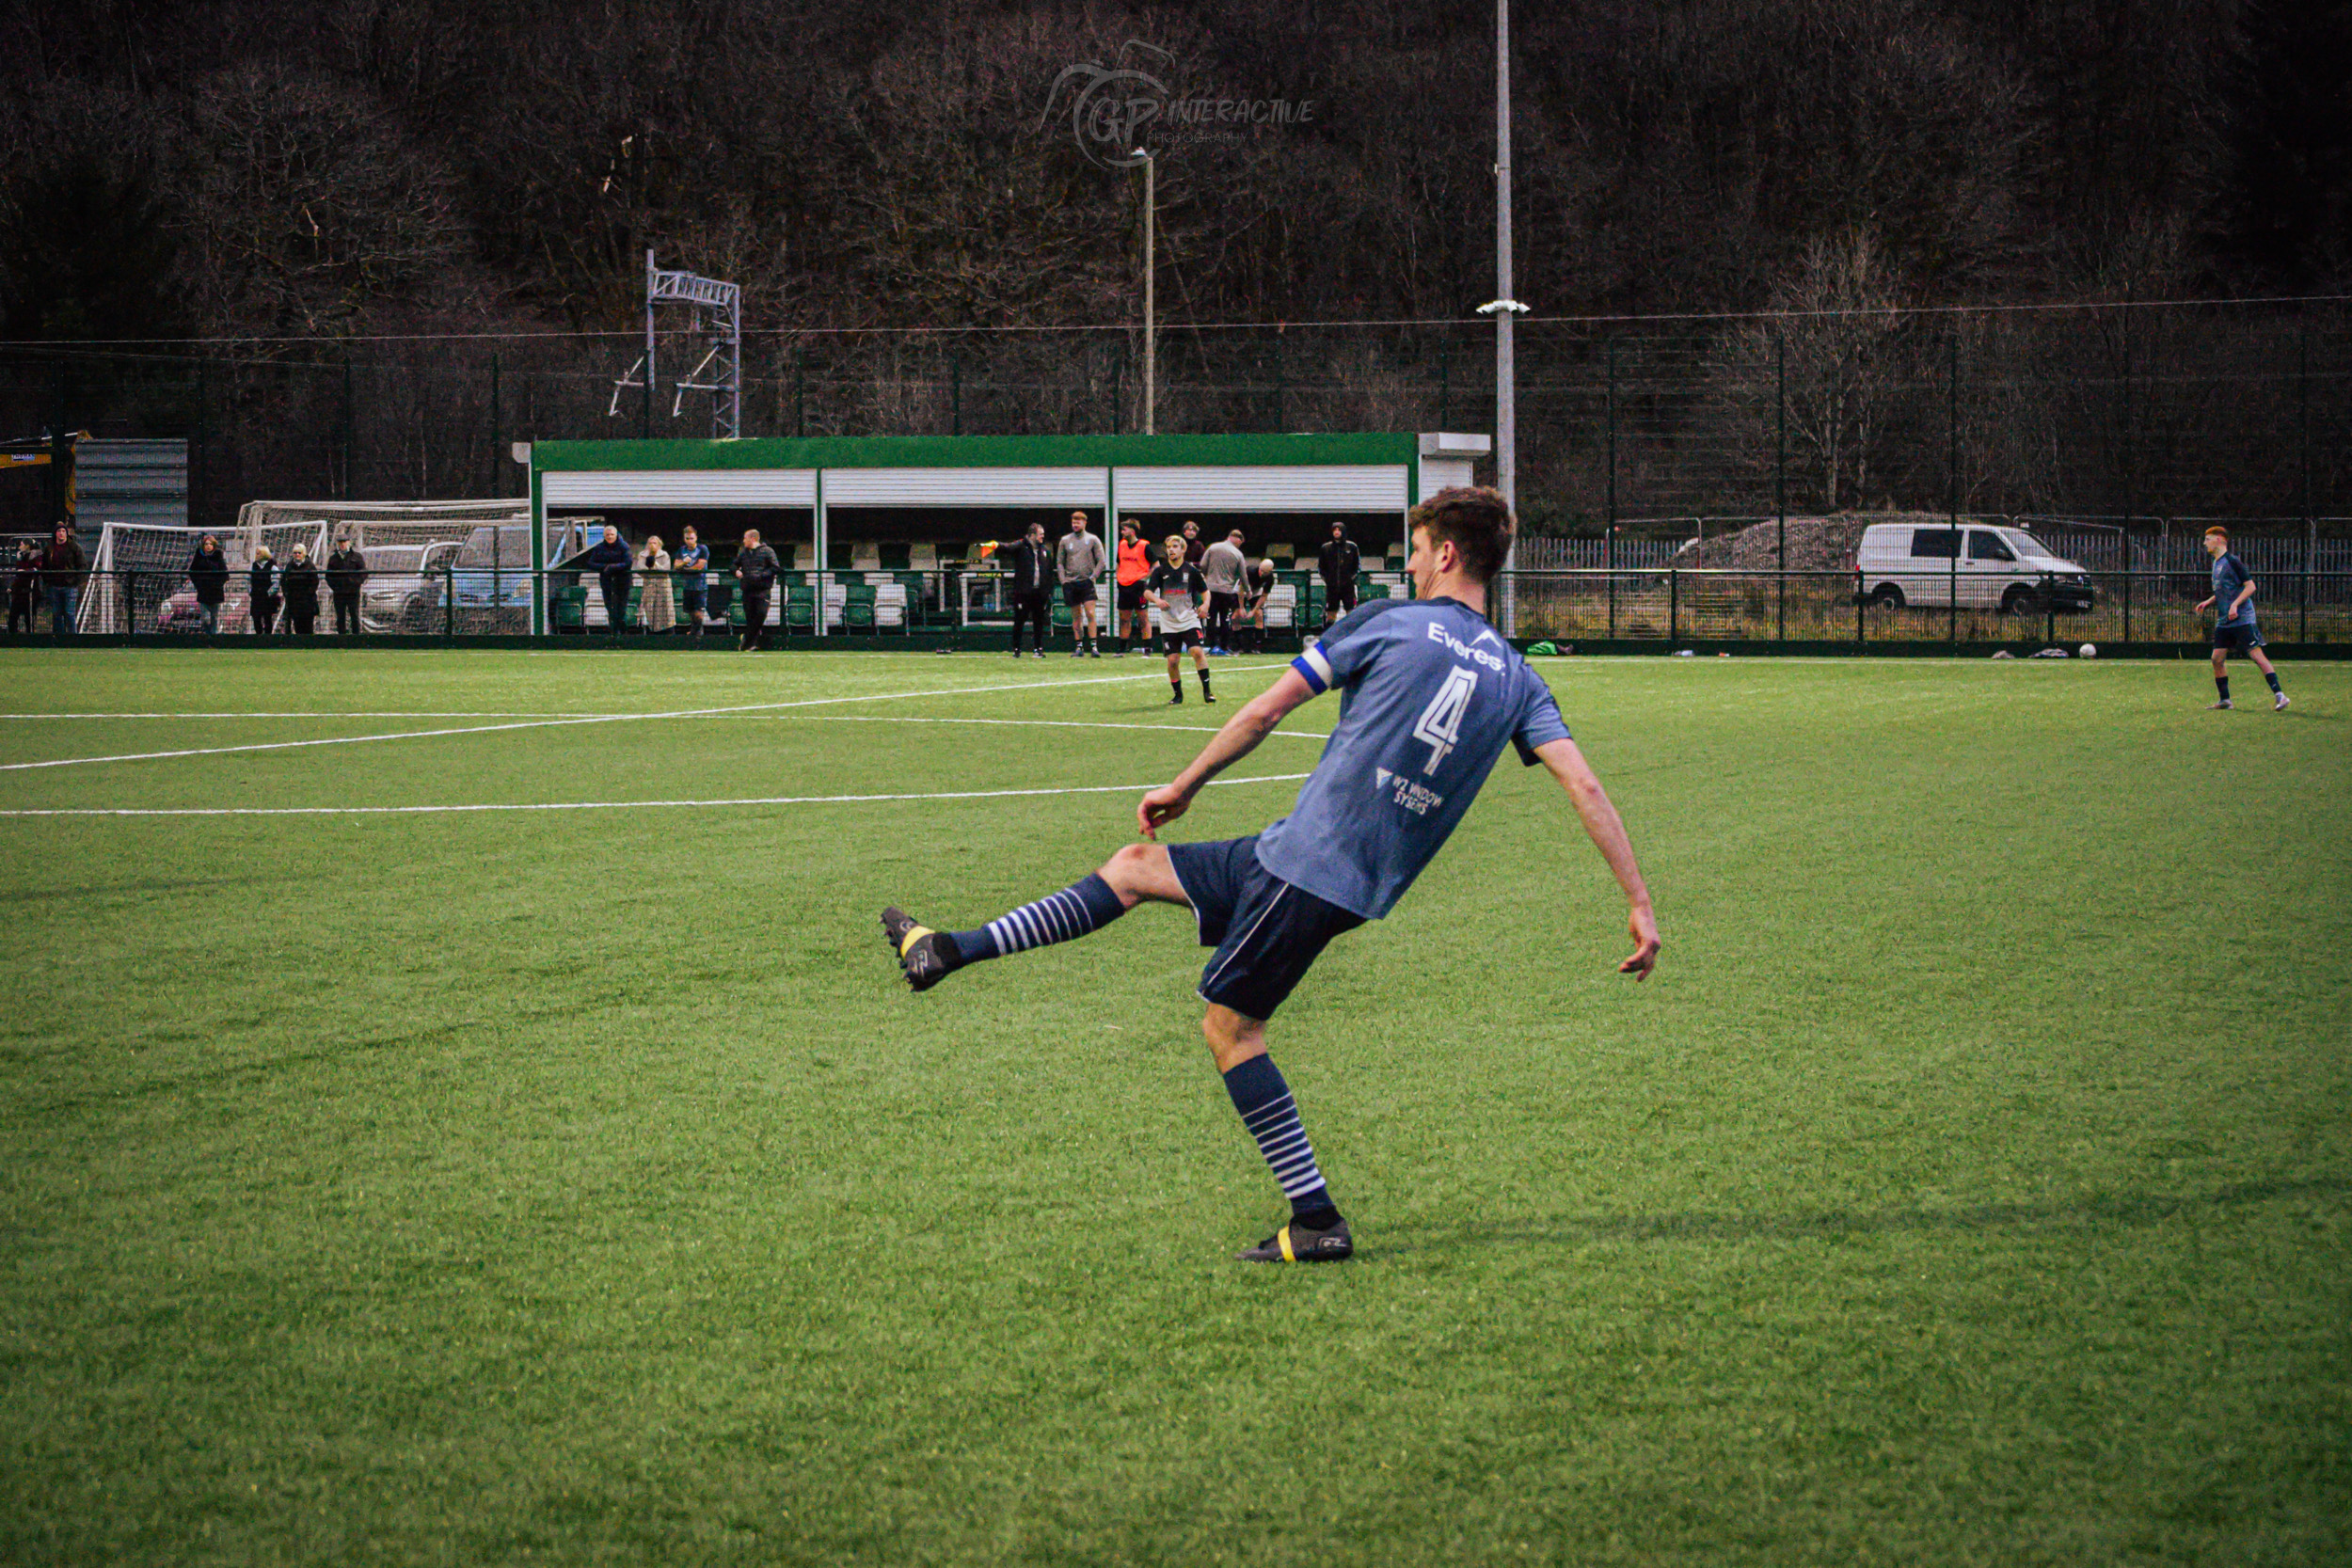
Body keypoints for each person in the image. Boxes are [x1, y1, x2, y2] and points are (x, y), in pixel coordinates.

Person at [880, 486, 1661, 1264]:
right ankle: (947, 949)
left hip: (1305, 869)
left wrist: (1184, 784)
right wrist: (1638, 902)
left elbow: (1266, 711)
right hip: (1323, 868)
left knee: (1232, 1029)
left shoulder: (1387, 622)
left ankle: (1316, 1217)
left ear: (1447, 553)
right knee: (1133, 868)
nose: (1414, 563)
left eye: (1418, 550)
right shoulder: (1517, 675)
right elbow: (1584, 785)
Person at [2197, 526, 2288, 711]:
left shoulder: (2232, 561)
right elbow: (2225, 590)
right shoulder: (2216, 563)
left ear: (2220, 540)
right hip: (2225, 620)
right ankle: (2225, 700)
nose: (2205, 543)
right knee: (2216, 658)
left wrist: (2235, 604)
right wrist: (2209, 601)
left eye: (2208, 539)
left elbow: (2250, 587)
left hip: (2242, 619)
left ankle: (2280, 695)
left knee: (2256, 655)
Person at [1144, 534, 1215, 705]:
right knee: (1173, 660)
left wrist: (1205, 605)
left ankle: (1207, 692)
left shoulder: (1192, 571)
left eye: (1175, 546)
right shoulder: (1160, 571)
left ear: (1183, 550)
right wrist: (1157, 600)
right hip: (1169, 622)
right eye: (1168, 547)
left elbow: (1206, 592)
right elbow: (1147, 592)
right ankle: (1178, 695)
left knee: (1197, 652)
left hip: (1189, 619)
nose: (1171, 550)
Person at [996, 520, 1055, 658]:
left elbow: (1049, 572)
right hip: (1023, 592)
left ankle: (1038, 648)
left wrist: (1048, 591)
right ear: (1032, 535)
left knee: (1039, 621)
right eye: (1040, 534)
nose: (1042, 537)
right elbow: (1006, 548)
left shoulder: (1045, 551)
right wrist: (995, 544)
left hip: (1039, 592)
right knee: (1020, 620)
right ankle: (1016, 648)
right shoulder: (1021, 546)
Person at [1057, 510, 1106, 657]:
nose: (1075, 524)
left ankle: (1094, 646)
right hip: (1071, 583)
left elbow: (1102, 561)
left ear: (1085, 523)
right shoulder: (1065, 540)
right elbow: (1060, 562)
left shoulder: (1093, 539)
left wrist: (1093, 577)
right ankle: (1079, 647)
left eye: (1078, 522)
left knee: (1090, 613)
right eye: (1073, 522)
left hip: (1087, 582)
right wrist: (1063, 580)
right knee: (1076, 616)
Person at [1201, 528, 1247, 654]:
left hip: (1211, 589)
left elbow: (1203, 565)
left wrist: (1207, 576)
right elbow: (1243, 574)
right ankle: (1224, 646)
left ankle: (1211, 646)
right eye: (1239, 543)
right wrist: (1247, 589)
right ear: (1237, 539)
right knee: (1224, 619)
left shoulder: (1213, 547)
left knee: (1211, 618)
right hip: (1227, 590)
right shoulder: (1238, 554)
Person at [734, 528, 780, 651]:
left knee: (760, 614)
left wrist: (761, 576)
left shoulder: (768, 551)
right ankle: (750, 645)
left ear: (752, 538)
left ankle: (746, 639)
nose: (743, 541)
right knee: (750, 618)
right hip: (747, 589)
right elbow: (733, 565)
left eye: (745, 538)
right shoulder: (743, 553)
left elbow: (775, 567)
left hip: (762, 590)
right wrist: (736, 571)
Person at [1114, 518, 1153, 657]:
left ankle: (1147, 649)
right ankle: (1121, 650)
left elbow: (1156, 565)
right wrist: (1119, 576)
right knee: (1124, 618)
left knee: (1143, 618)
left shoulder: (1144, 546)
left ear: (1132, 530)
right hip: (1124, 586)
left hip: (1138, 587)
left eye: (1124, 529)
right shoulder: (1122, 545)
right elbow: (1119, 562)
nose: (1122, 532)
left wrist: (1145, 578)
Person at [586, 524, 633, 635]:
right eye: (607, 535)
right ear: (604, 536)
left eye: (612, 534)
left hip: (622, 581)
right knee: (610, 609)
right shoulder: (599, 548)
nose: (610, 537)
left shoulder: (624, 546)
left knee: (621, 610)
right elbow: (591, 563)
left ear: (616, 535)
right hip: (606, 581)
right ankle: (613, 634)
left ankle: (622, 633)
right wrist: (605, 567)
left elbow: (628, 563)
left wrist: (613, 567)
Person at [40, 523, 86, 636]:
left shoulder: (74, 547)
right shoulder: (49, 548)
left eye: (63, 531)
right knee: (56, 613)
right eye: (59, 531)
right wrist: (48, 580)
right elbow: (44, 566)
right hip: (54, 585)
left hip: (70, 586)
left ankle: (72, 638)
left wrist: (76, 580)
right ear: (55, 533)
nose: (61, 533)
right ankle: (58, 638)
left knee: (69, 613)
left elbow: (82, 565)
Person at [1317, 520, 1361, 626]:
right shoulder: (1325, 548)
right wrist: (1328, 580)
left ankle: (1352, 635)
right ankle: (1329, 635)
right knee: (1331, 612)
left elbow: (1357, 566)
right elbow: (1321, 567)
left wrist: (1350, 579)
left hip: (1348, 587)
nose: (1336, 532)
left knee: (1351, 611)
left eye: (1339, 530)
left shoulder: (1352, 547)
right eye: (1334, 530)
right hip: (1332, 587)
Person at [325, 533, 368, 634]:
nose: (342, 544)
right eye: (340, 542)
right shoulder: (333, 558)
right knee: (340, 617)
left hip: (353, 592)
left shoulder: (357, 556)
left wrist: (355, 583)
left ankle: (356, 639)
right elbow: (329, 576)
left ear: (349, 542)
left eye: (344, 541)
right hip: (339, 593)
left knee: (354, 616)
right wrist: (336, 587)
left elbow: (363, 573)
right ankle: (341, 639)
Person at [186, 533, 230, 634]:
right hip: (203, 592)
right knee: (205, 618)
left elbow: (225, 574)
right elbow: (192, 572)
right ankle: (207, 634)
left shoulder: (218, 557)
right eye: (206, 544)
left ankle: (213, 638)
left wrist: (217, 585)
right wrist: (199, 585)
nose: (208, 546)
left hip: (216, 593)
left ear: (214, 546)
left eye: (210, 544)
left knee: (214, 618)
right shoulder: (198, 556)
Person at [1234, 558, 1277, 654]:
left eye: (1265, 572)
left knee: (1259, 615)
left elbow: (1263, 596)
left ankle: (1257, 647)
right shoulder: (1249, 571)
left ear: (1269, 571)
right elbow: (1241, 591)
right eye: (1261, 570)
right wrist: (1241, 607)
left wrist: (1253, 611)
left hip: (1255, 592)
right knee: (1235, 616)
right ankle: (1239, 646)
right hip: (1242, 591)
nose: (1261, 574)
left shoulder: (1270, 579)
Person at [675, 526, 711, 635]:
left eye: (691, 538)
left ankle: (698, 632)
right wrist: (684, 563)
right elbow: (676, 566)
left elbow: (699, 567)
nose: (689, 541)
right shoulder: (682, 550)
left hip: (700, 586)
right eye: (687, 538)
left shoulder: (702, 549)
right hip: (687, 585)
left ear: (696, 538)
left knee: (698, 612)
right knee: (690, 611)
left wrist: (684, 569)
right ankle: (694, 631)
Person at [638, 533, 675, 634]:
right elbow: (641, 570)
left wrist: (654, 565)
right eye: (650, 543)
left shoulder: (665, 555)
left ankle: (669, 634)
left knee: (666, 612)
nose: (652, 545)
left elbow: (665, 571)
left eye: (654, 543)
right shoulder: (642, 555)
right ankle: (652, 633)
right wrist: (651, 569)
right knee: (650, 611)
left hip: (663, 586)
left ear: (659, 545)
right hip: (649, 585)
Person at [281, 544, 321, 635]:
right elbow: (284, 581)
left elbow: (315, 582)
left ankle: (308, 645)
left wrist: (308, 593)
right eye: (295, 553)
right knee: (297, 624)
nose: (297, 555)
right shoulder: (289, 566)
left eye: (299, 553)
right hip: (294, 600)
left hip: (307, 600)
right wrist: (286, 593)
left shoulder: (310, 565)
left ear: (303, 553)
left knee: (308, 625)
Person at [8, 540, 40, 634]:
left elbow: (36, 569)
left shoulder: (36, 556)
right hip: (19, 592)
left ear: (27, 546)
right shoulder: (21, 557)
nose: (19, 547)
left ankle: (30, 638)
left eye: (21, 545)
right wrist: (13, 587)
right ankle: (13, 637)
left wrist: (25, 570)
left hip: (30, 592)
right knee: (13, 617)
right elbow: (18, 575)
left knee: (29, 618)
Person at [247, 545, 280, 635]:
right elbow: (248, 581)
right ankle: (258, 636)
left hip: (267, 598)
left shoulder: (272, 567)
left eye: (259, 553)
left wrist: (268, 593)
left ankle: (268, 638)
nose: (257, 555)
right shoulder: (252, 567)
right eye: (256, 553)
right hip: (256, 597)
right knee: (256, 618)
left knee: (268, 618)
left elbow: (276, 583)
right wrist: (251, 592)